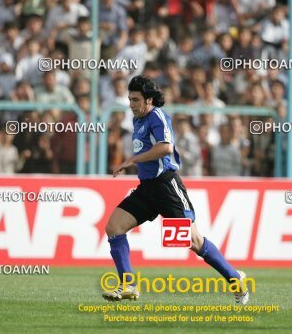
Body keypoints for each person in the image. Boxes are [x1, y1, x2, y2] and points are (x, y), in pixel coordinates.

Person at [102, 75, 249, 304]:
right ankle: (128, 284)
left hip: (166, 187)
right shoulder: (137, 120)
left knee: (193, 242)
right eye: (129, 99)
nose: (131, 104)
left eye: (135, 100)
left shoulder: (157, 116)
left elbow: (165, 147)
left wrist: (132, 160)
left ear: (149, 100)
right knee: (114, 227)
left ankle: (235, 279)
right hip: (147, 188)